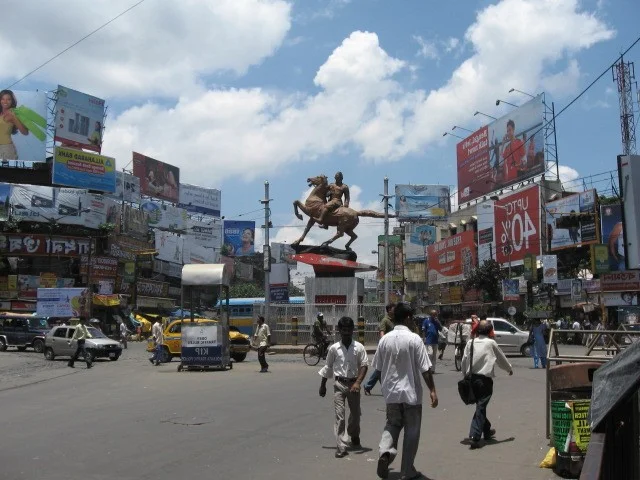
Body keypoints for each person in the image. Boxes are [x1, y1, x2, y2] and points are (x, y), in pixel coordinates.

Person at [372, 302, 438, 480]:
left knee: (392, 425)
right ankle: (407, 470)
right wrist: (432, 390)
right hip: (412, 396)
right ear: (408, 318)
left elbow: (377, 369)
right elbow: (425, 369)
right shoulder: (415, 339)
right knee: (412, 432)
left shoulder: (384, 339)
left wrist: (385, 388)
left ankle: (385, 453)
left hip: (391, 394)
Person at [318, 316, 368, 458]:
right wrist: (323, 386)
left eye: (348, 330)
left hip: (354, 384)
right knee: (340, 417)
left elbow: (364, 365)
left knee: (356, 415)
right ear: (339, 331)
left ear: (353, 330)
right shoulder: (334, 349)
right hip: (339, 384)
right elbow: (327, 367)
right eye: (343, 330)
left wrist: (358, 382)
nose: (346, 332)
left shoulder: (359, 348)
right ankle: (341, 446)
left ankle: (354, 433)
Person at [461, 320, 513, 449]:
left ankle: (487, 430)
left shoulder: (470, 342)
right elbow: (501, 359)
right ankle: (474, 436)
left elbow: (464, 360)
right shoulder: (491, 343)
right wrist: (509, 369)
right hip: (484, 381)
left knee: (480, 406)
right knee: (481, 406)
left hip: (472, 379)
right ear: (490, 331)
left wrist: (465, 375)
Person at [364, 303, 395, 395]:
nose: (395, 310)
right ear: (389, 310)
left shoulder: (395, 320)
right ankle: (370, 386)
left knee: (383, 368)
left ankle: (372, 386)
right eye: (394, 309)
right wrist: (384, 344)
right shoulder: (385, 320)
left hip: (393, 347)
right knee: (381, 369)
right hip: (386, 347)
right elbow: (382, 332)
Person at [0, 90, 28, 160]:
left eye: (8, 99)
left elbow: (25, 132)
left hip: (6, 149)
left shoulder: (13, 114)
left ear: (12, 101)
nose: (5, 102)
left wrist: (15, 118)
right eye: (3, 99)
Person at [501, 119, 526, 184]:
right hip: (510, 176)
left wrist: (519, 166)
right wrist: (503, 143)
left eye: (510, 130)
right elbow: (502, 157)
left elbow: (524, 159)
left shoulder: (519, 142)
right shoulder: (507, 147)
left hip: (519, 174)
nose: (508, 132)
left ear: (513, 129)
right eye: (507, 131)